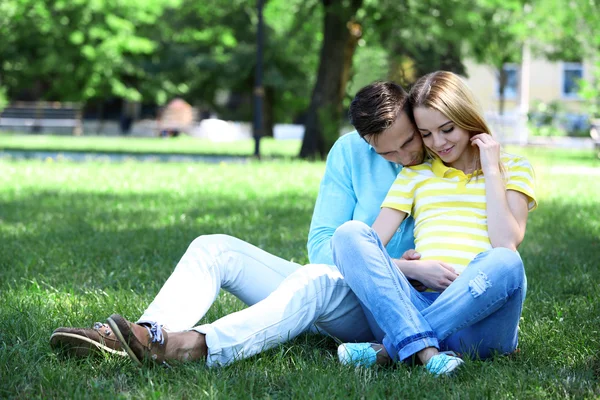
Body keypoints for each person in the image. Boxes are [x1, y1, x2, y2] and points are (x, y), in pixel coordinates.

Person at [52, 81, 448, 362]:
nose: (405, 156)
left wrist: (405, 271)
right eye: (387, 152)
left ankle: (191, 347)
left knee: (312, 281)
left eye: (410, 142)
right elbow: (321, 245)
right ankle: (143, 334)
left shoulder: (444, 158)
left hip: (388, 306)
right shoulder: (347, 152)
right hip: (339, 281)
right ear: (366, 142)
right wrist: (398, 263)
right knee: (214, 247)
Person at [332, 71, 537, 375]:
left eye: (447, 129)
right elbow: (368, 248)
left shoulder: (514, 168)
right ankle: (428, 351)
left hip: (481, 323)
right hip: (415, 305)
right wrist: (411, 269)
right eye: (426, 134)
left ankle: (392, 349)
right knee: (347, 234)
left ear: (466, 118)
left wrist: (491, 170)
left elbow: (505, 243)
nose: (438, 143)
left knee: (507, 262)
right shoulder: (415, 174)